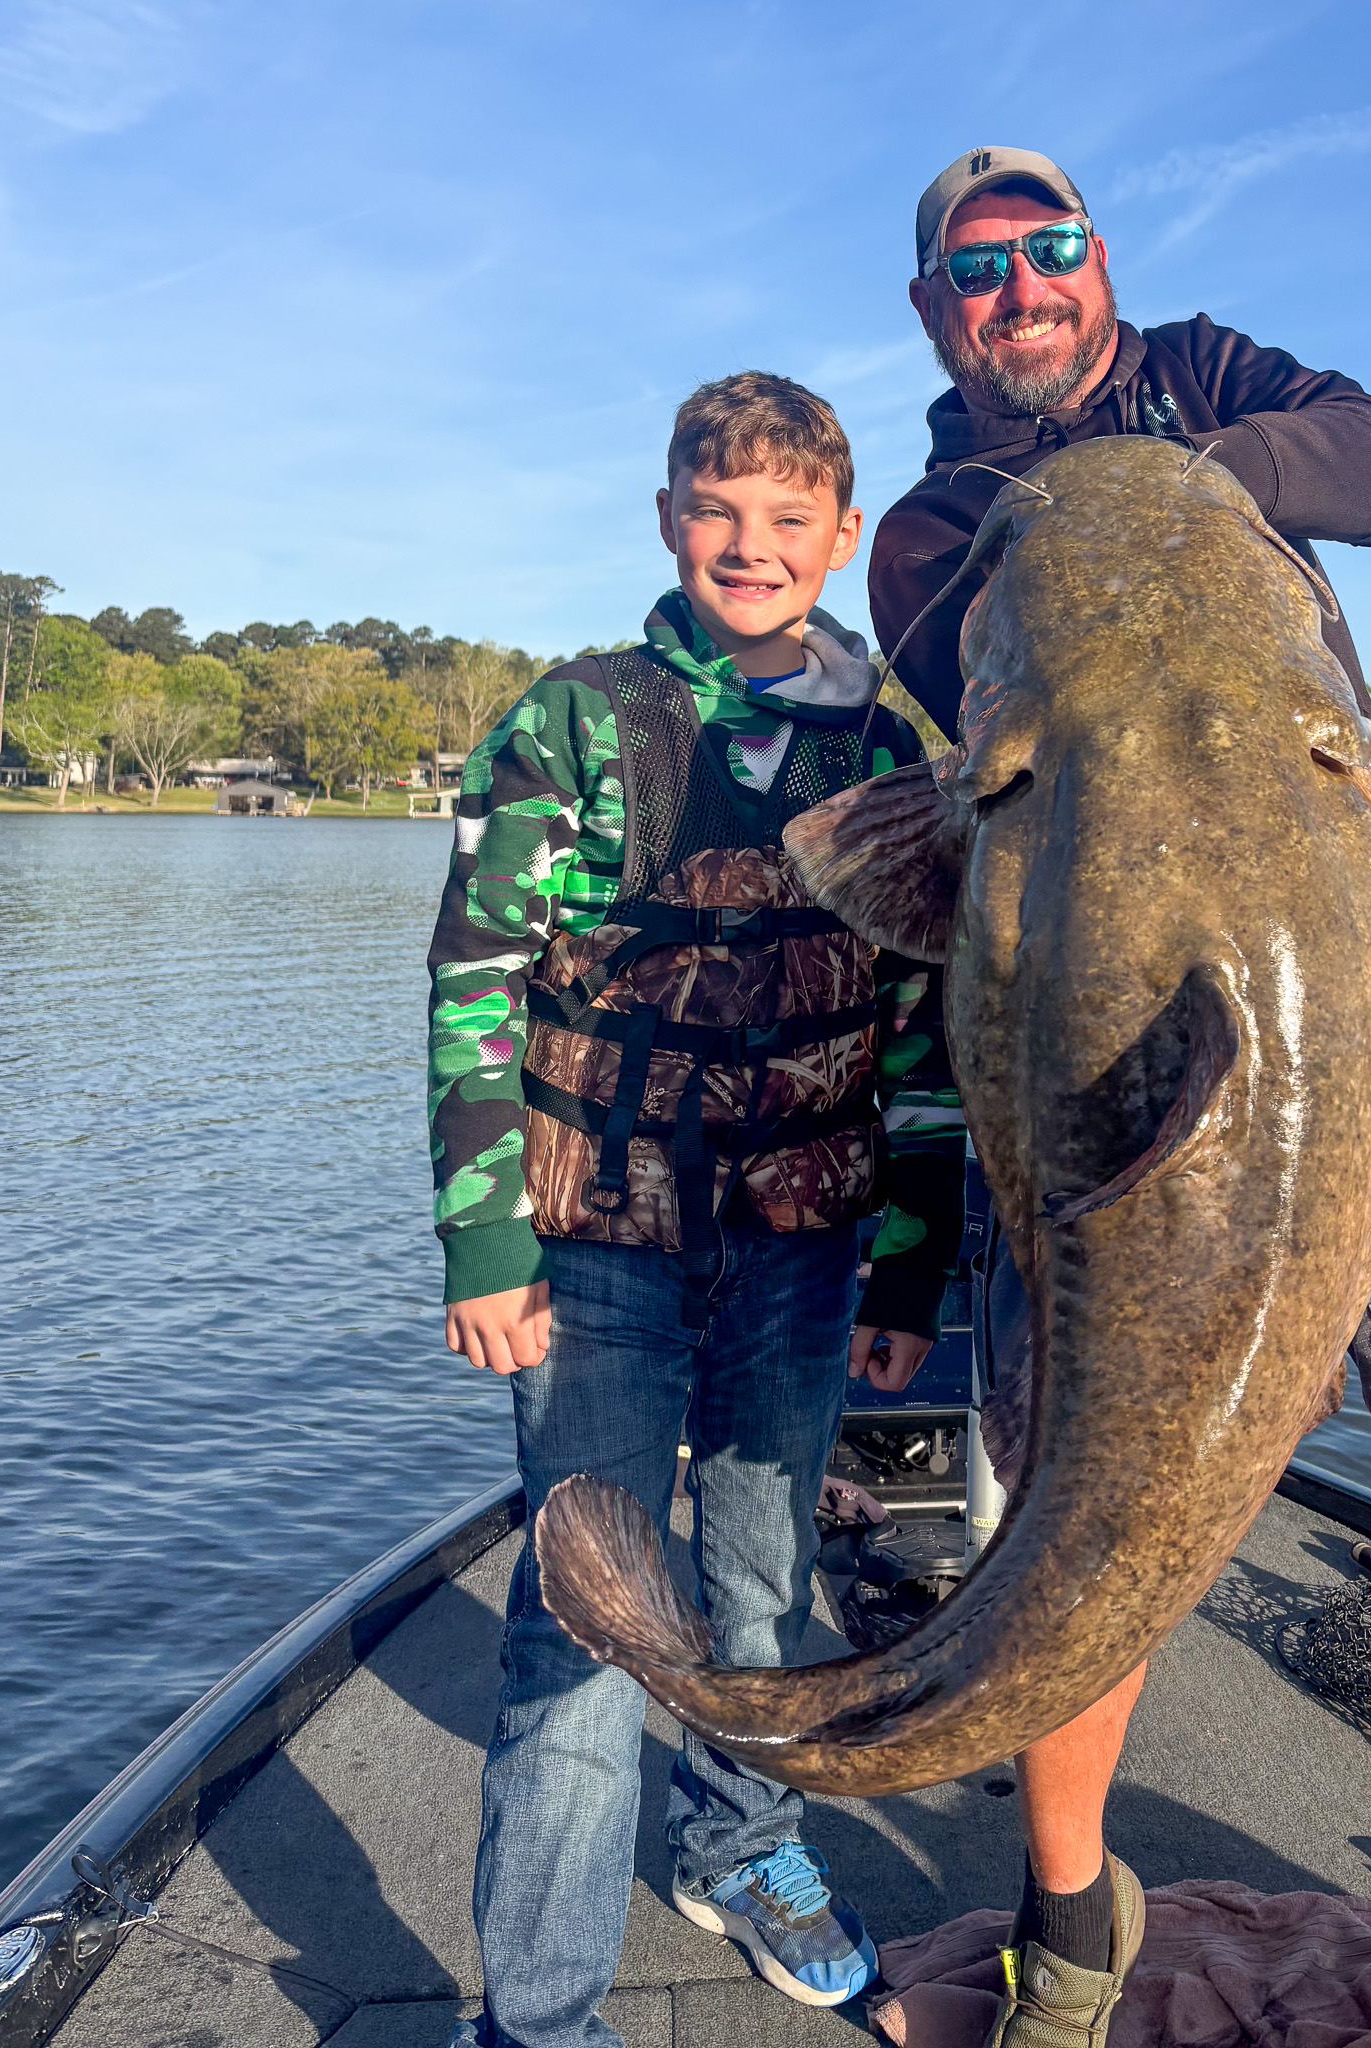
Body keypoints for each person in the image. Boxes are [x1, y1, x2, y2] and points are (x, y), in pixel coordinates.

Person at [868, 149, 1371, 2048]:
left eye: (1053, 249)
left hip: (1363, 975)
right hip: (1094, 1012)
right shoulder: (931, 528)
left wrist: (1218, 475)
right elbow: (1055, 725)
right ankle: (1070, 1928)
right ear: (934, 311)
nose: (1024, 288)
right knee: (1096, 1487)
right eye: (979, 269)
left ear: (1102, 267)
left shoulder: (1205, 375)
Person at [426, 371, 964, 2048]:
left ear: (839, 537)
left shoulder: (893, 753)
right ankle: (542, 2015)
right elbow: (475, 983)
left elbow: (921, 1034)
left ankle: (747, 1846)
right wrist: (484, 1238)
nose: (750, 545)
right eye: (717, 512)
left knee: (761, 1583)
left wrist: (906, 1271)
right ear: (670, 521)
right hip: (592, 1251)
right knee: (583, 1630)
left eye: (787, 519)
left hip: (802, 1256)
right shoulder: (574, 721)